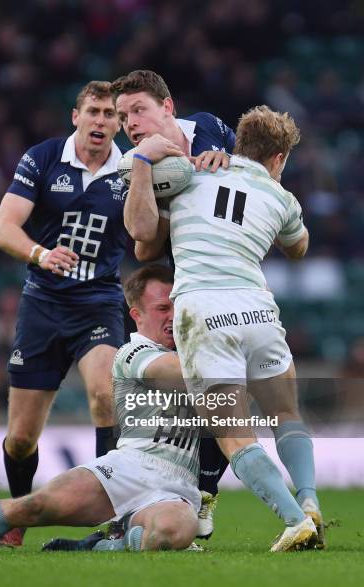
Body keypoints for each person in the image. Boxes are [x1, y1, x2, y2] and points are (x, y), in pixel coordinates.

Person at [0, 265, 204, 554]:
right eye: (163, 308)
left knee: (172, 529)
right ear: (136, 315)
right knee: (32, 506)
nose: (173, 316)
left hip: (174, 487)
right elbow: (183, 372)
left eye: (178, 307)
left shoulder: (193, 354)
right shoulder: (134, 353)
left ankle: (106, 546)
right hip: (127, 470)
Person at [122, 103, 324, 551]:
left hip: (202, 311)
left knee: (233, 434)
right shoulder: (282, 197)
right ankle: (309, 502)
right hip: (257, 309)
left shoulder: (189, 176)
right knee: (286, 413)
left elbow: (145, 239)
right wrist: (275, 197)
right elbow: (299, 247)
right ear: (280, 158)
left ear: (237, 144)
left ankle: (295, 522)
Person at [0, 81, 128, 547]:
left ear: (119, 123)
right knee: (22, 439)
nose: (101, 121)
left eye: (110, 114)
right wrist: (40, 254)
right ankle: (19, 510)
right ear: (76, 116)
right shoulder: (44, 158)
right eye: (94, 112)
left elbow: (148, 234)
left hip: (99, 302)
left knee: (106, 396)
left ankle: (113, 513)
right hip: (44, 305)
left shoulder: (131, 171)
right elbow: (3, 228)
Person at [111, 69, 234, 538]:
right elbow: (143, 243)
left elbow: (251, 180)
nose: (130, 123)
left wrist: (226, 160)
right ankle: (145, 495)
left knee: (230, 391)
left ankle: (204, 492)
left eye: (138, 110)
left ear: (168, 106)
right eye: (123, 117)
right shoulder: (130, 164)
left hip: (227, 279)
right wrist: (144, 166)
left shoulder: (210, 128)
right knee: (205, 392)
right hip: (184, 285)